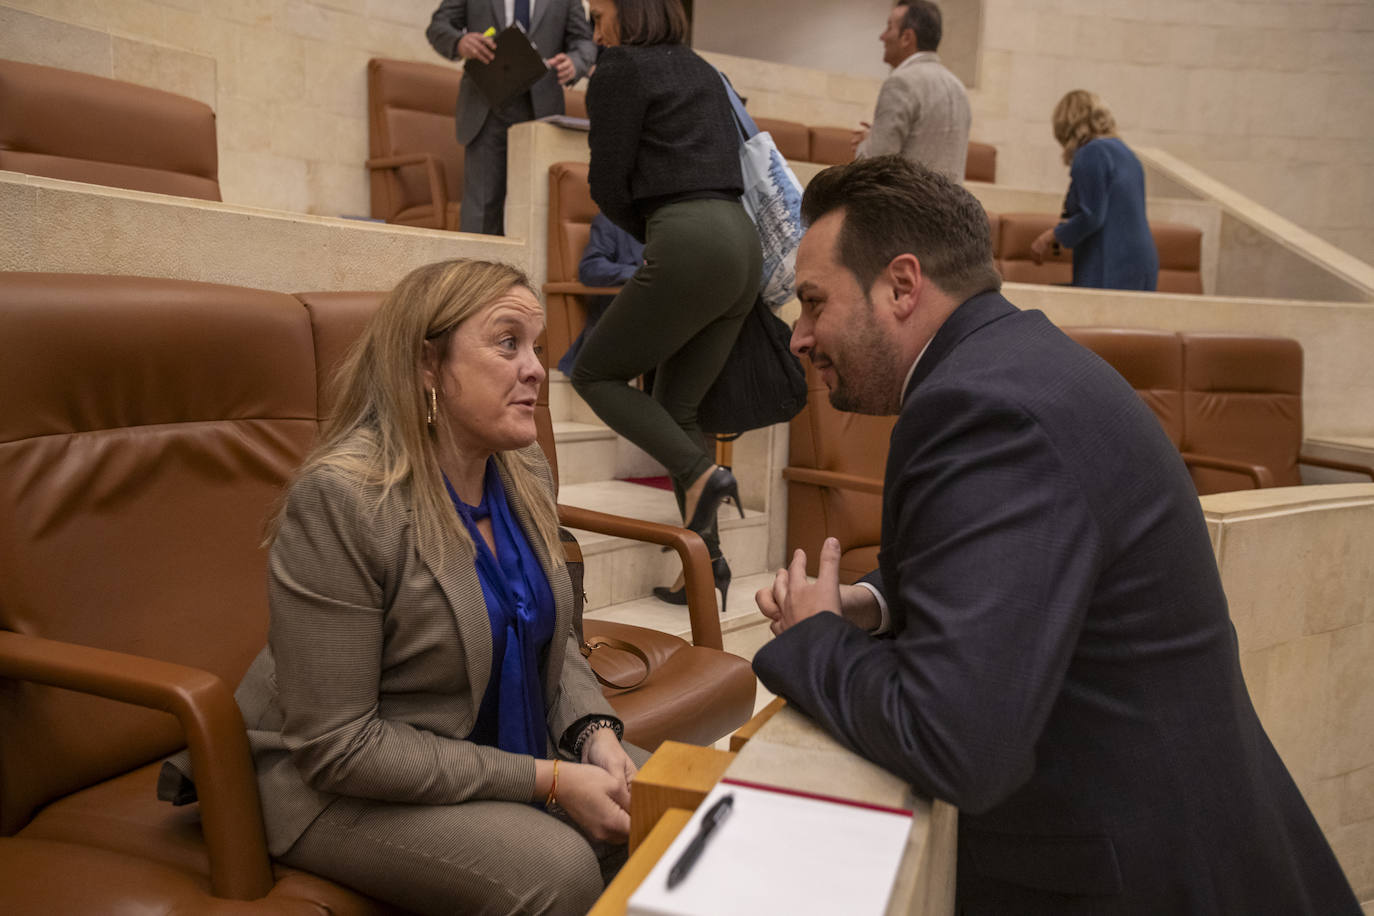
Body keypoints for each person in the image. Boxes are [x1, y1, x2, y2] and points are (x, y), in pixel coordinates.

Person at [753, 156, 1360, 914]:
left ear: (902, 286)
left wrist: (815, 637)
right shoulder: (1015, 364)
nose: (801, 337)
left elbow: (956, 741)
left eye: (813, 303)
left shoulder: (979, 409)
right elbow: (1012, 569)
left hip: (1135, 878)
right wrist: (868, 605)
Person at [196, 260, 641, 915]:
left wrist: (593, 735)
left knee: (684, 803)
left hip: (480, 745)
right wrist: (546, 778)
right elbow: (339, 746)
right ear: (427, 365)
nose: (536, 370)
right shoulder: (344, 500)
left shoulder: (524, 471)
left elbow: (550, 639)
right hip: (334, 784)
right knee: (560, 870)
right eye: (507, 342)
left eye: (538, 347)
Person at [573, 0, 763, 612]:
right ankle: (704, 569)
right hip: (742, 245)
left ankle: (703, 473)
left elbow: (606, 183)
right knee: (676, 405)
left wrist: (661, 234)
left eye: (598, 10)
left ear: (628, 13)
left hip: (689, 238)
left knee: (594, 373)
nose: (592, 23)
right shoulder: (702, 69)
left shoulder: (620, 69)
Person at [427, 0, 596, 235]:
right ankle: (478, 272)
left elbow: (584, 41)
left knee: (537, 207)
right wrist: (459, 42)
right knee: (482, 208)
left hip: (541, 111)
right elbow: (438, 26)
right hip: (486, 107)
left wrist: (576, 63)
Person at [1030, 90, 1159, 291]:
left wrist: (1051, 236)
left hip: (1110, 261)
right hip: (1141, 263)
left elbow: (1092, 216)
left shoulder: (1091, 153)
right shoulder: (1127, 153)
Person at [851, 1, 970, 184]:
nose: (882, 37)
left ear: (907, 37)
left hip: (906, 210)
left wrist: (865, 143)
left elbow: (875, 166)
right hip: (949, 211)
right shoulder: (958, 88)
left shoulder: (901, 82)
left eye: (889, 27)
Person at [557, 211, 644, 377]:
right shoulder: (612, 219)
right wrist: (641, 273)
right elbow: (591, 268)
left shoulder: (676, 223)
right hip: (623, 320)